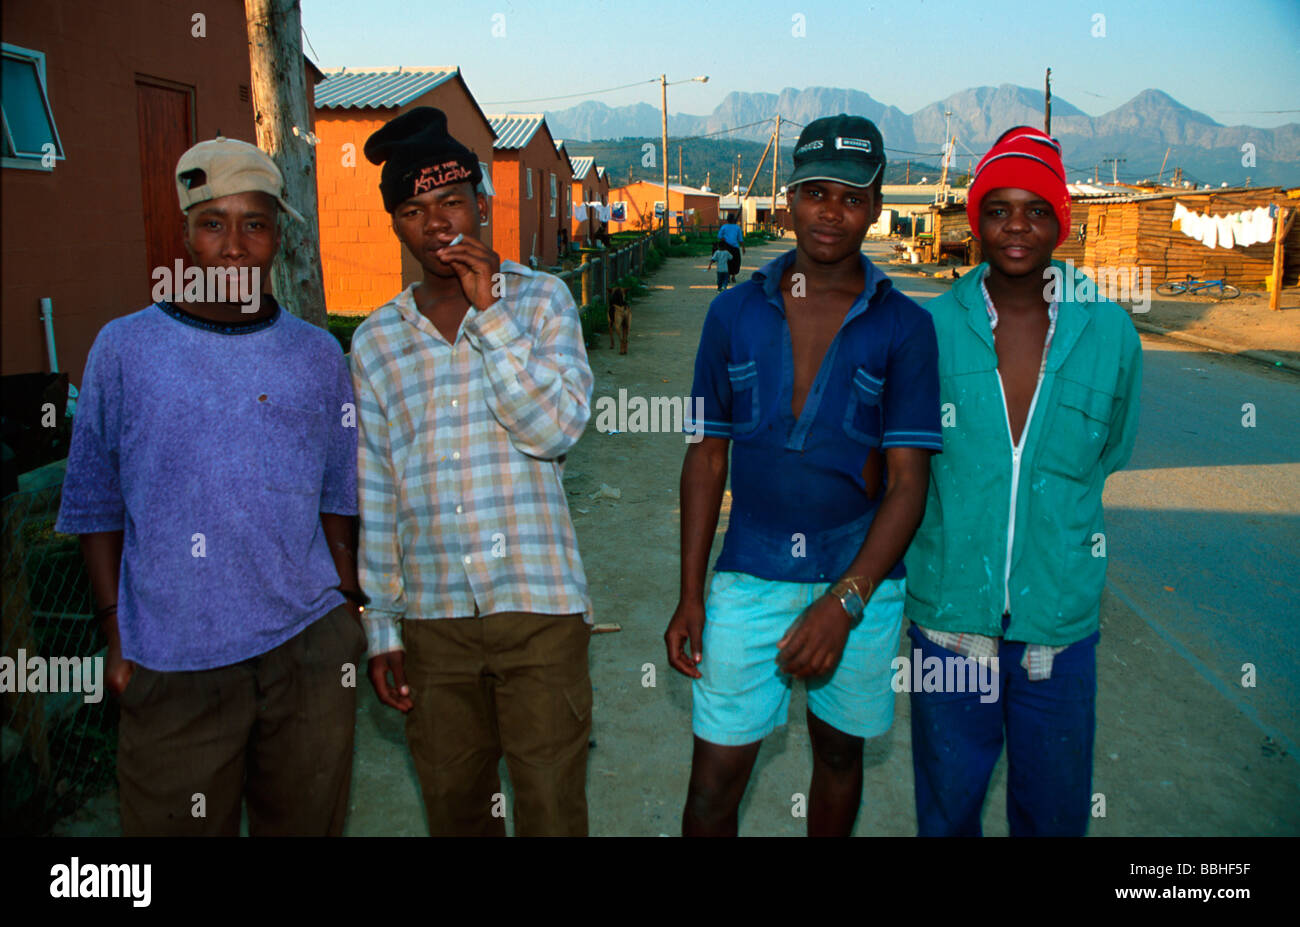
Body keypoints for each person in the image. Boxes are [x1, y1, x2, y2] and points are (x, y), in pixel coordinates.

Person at [56, 137, 365, 836]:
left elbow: (336, 496)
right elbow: (95, 502)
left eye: (254, 223)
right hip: (174, 661)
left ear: (278, 235)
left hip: (307, 651)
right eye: (212, 222)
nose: (234, 245)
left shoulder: (316, 354)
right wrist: (116, 633)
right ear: (185, 233)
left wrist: (346, 608)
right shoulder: (125, 349)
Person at [665, 115, 942, 836]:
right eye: (815, 191)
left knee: (840, 759)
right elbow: (706, 456)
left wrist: (843, 602)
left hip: (861, 581)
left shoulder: (906, 327)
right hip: (750, 572)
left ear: (877, 205)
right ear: (787, 198)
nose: (831, 210)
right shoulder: (730, 313)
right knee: (712, 786)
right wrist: (691, 593)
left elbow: (909, 485)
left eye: (852, 196)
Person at [352, 107, 594, 837]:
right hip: (432, 619)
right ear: (396, 223)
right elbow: (377, 485)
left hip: (537, 606)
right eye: (413, 210)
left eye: (451, 201)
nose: (436, 224)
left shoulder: (544, 302)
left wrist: (491, 316)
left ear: (481, 201)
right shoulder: (374, 341)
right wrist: (381, 625)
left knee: (551, 809)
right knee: (456, 809)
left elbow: (553, 431)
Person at [903, 126, 1143, 837]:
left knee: (1054, 815)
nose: (1017, 226)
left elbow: (1109, 452)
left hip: (1058, 637)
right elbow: (911, 471)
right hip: (949, 627)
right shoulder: (931, 330)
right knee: (947, 813)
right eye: (1000, 208)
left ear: (1061, 223)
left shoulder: (1110, 333)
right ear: (975, 219)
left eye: (1037, 209)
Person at [717, 213, 745, 283]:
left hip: (726, 247)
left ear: (727, 220)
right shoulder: (737, 227)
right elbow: (740, 239)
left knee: (727, 262)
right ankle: (733, 276)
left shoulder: (724, 227)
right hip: (735, 247)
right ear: (733, 220)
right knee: (736, 262)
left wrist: (724, 239)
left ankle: (728, 277)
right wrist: (743, 248)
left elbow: (719, 236)